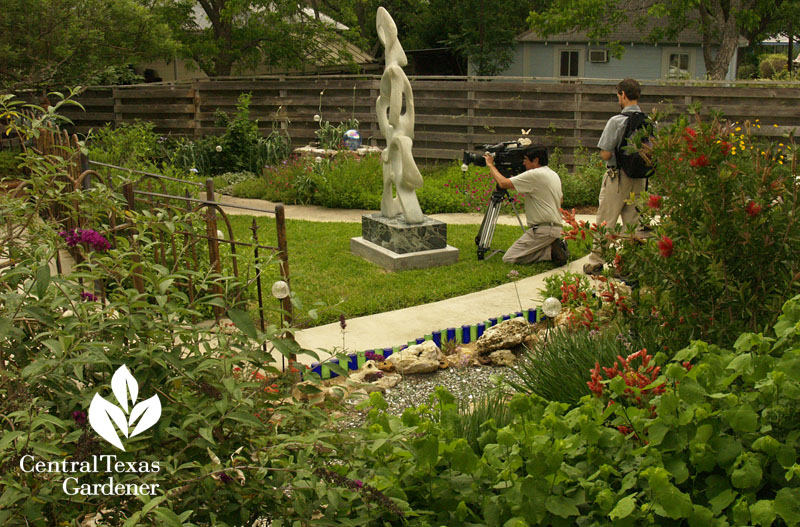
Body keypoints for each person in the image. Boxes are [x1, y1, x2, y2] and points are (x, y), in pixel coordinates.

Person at [584, 78, 648, 275]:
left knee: (607, 219)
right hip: (640, 178)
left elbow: (605, 153)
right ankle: (632, 264)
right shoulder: (649, 121)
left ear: (622, 94)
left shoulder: (616, 121)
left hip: (617, 176)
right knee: (634, 221)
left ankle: (596, 262)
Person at [483, 144, 567, 265]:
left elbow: (502, 183)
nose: (523, 163)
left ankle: (550, 252)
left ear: (536, 160)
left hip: (543, 230)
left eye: (526, 160)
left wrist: (490, 165)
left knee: (509, 258)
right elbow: (561, 200)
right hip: (556, 228)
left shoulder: (535, 174)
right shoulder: (553, 174)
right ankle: (553, 246)